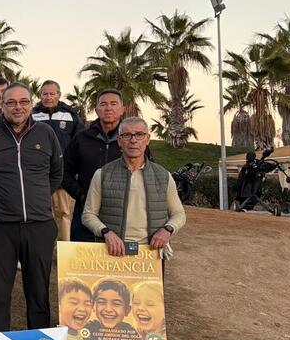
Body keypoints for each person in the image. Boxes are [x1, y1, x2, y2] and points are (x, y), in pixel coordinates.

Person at [0, 83, 63, 332]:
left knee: (39, 292)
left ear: (31, 104)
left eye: (23, 101)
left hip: (39, 226)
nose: (17, 107)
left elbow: (56, 174)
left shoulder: (46, 133)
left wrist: (37, 198)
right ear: (2, 105)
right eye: (11, 102)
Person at [81, 117, 186, 258]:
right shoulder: (102, 175)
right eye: (127, 135)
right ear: (119, 140)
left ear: (147, 139)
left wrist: (167, 230)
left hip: (151, 254)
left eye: (139, 134)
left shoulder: (163, 176)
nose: (133, 140)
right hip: (112, 252)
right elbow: (88, 215)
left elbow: (179, 214)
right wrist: (106, 232)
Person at [63, 88, 130, 242]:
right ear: (96, 109)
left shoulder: (132, 140)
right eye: (103, 104)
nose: (108, 108)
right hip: (85, 213)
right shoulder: (81, 139)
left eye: (113, 104)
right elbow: (64, 171)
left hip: (122, 215)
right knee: (83, 255)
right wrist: (81, 195)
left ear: (122, 109)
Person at [32, 79, 84, 241]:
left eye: (52, 94)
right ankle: (41, 248)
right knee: (38, 215)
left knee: (63, 214)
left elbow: (80, 143)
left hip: (62, 175)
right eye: (45, 94)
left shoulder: (71, 115)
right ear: (40, 95)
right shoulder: (31, 115)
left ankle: (63, 250)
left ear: (59, 95)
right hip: (37, 176)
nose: (48, 97)